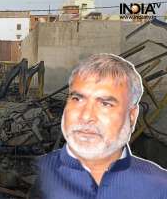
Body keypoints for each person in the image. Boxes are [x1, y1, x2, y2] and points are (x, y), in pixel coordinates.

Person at [36, 54, 167, 199]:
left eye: (105, 104)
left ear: (132, 116)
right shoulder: (41, 172)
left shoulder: (159, 186)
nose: (86, 116)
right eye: (77, 99)